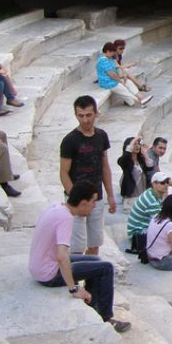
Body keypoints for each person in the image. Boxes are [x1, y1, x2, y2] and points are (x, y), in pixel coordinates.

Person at [29, 179, 130, 332]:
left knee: (95, 260)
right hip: (48, 274)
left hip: (38, 266)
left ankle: (92, 303)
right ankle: (106, 317)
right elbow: (62, 257)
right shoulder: (66, 219)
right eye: (93, 202)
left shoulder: (56, 208)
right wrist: (73, 289)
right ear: (83, 203)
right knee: (107, 268)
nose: (94, 206)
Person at [60, 96, 115, 256]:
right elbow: (64, 173)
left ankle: (91, 277)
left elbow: (105, 166)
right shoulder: (70, 140)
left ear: (96, 114)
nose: (85, 120)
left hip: (96, 197)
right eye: (81, 115)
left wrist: (110, 195)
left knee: (94, 242)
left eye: (88, 115)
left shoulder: (101, 136)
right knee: (76, 246)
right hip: (77, 200)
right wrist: (76, 201)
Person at [126, 172, 172, 254]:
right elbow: (160, 223)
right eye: (162, 183)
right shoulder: (151, 200)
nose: (166, 185)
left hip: (141, 228)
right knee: (169, 232)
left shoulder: (152, 192)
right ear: (154, 184)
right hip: (137, 233)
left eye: (167, 182)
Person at [96, 41, 152, 106]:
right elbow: (111, 74)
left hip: (114, 79)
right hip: (108, 82)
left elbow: (117, 67)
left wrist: (122, 76)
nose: (114, 54)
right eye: (112, 52)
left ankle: (141, 98)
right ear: (108, 51)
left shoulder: (110, 58)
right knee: (124, 90)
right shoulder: (103, 61)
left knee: (128, 83)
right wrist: (120, 80)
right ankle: (140, 102)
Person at [117, 135, 148, 202]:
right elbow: (126, 155)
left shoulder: (141, 161)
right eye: (134, 144)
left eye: (138, 144)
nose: (137, 146)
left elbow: (150, 167)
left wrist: (145, 154)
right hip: (131, 197)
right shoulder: (124, 161)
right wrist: (136, 139)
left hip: (142, 196)